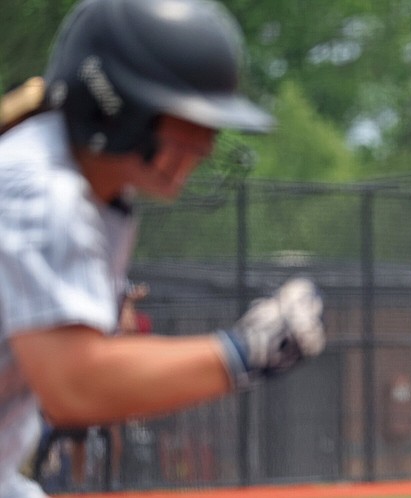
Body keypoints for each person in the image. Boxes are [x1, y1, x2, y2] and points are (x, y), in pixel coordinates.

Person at [0, 1, 325, 497]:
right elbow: (74, 386)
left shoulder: (94, 193)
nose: (206, 142)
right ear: (117, 106)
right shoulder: (42, 191)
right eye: (185, 116)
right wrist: (241, 352)